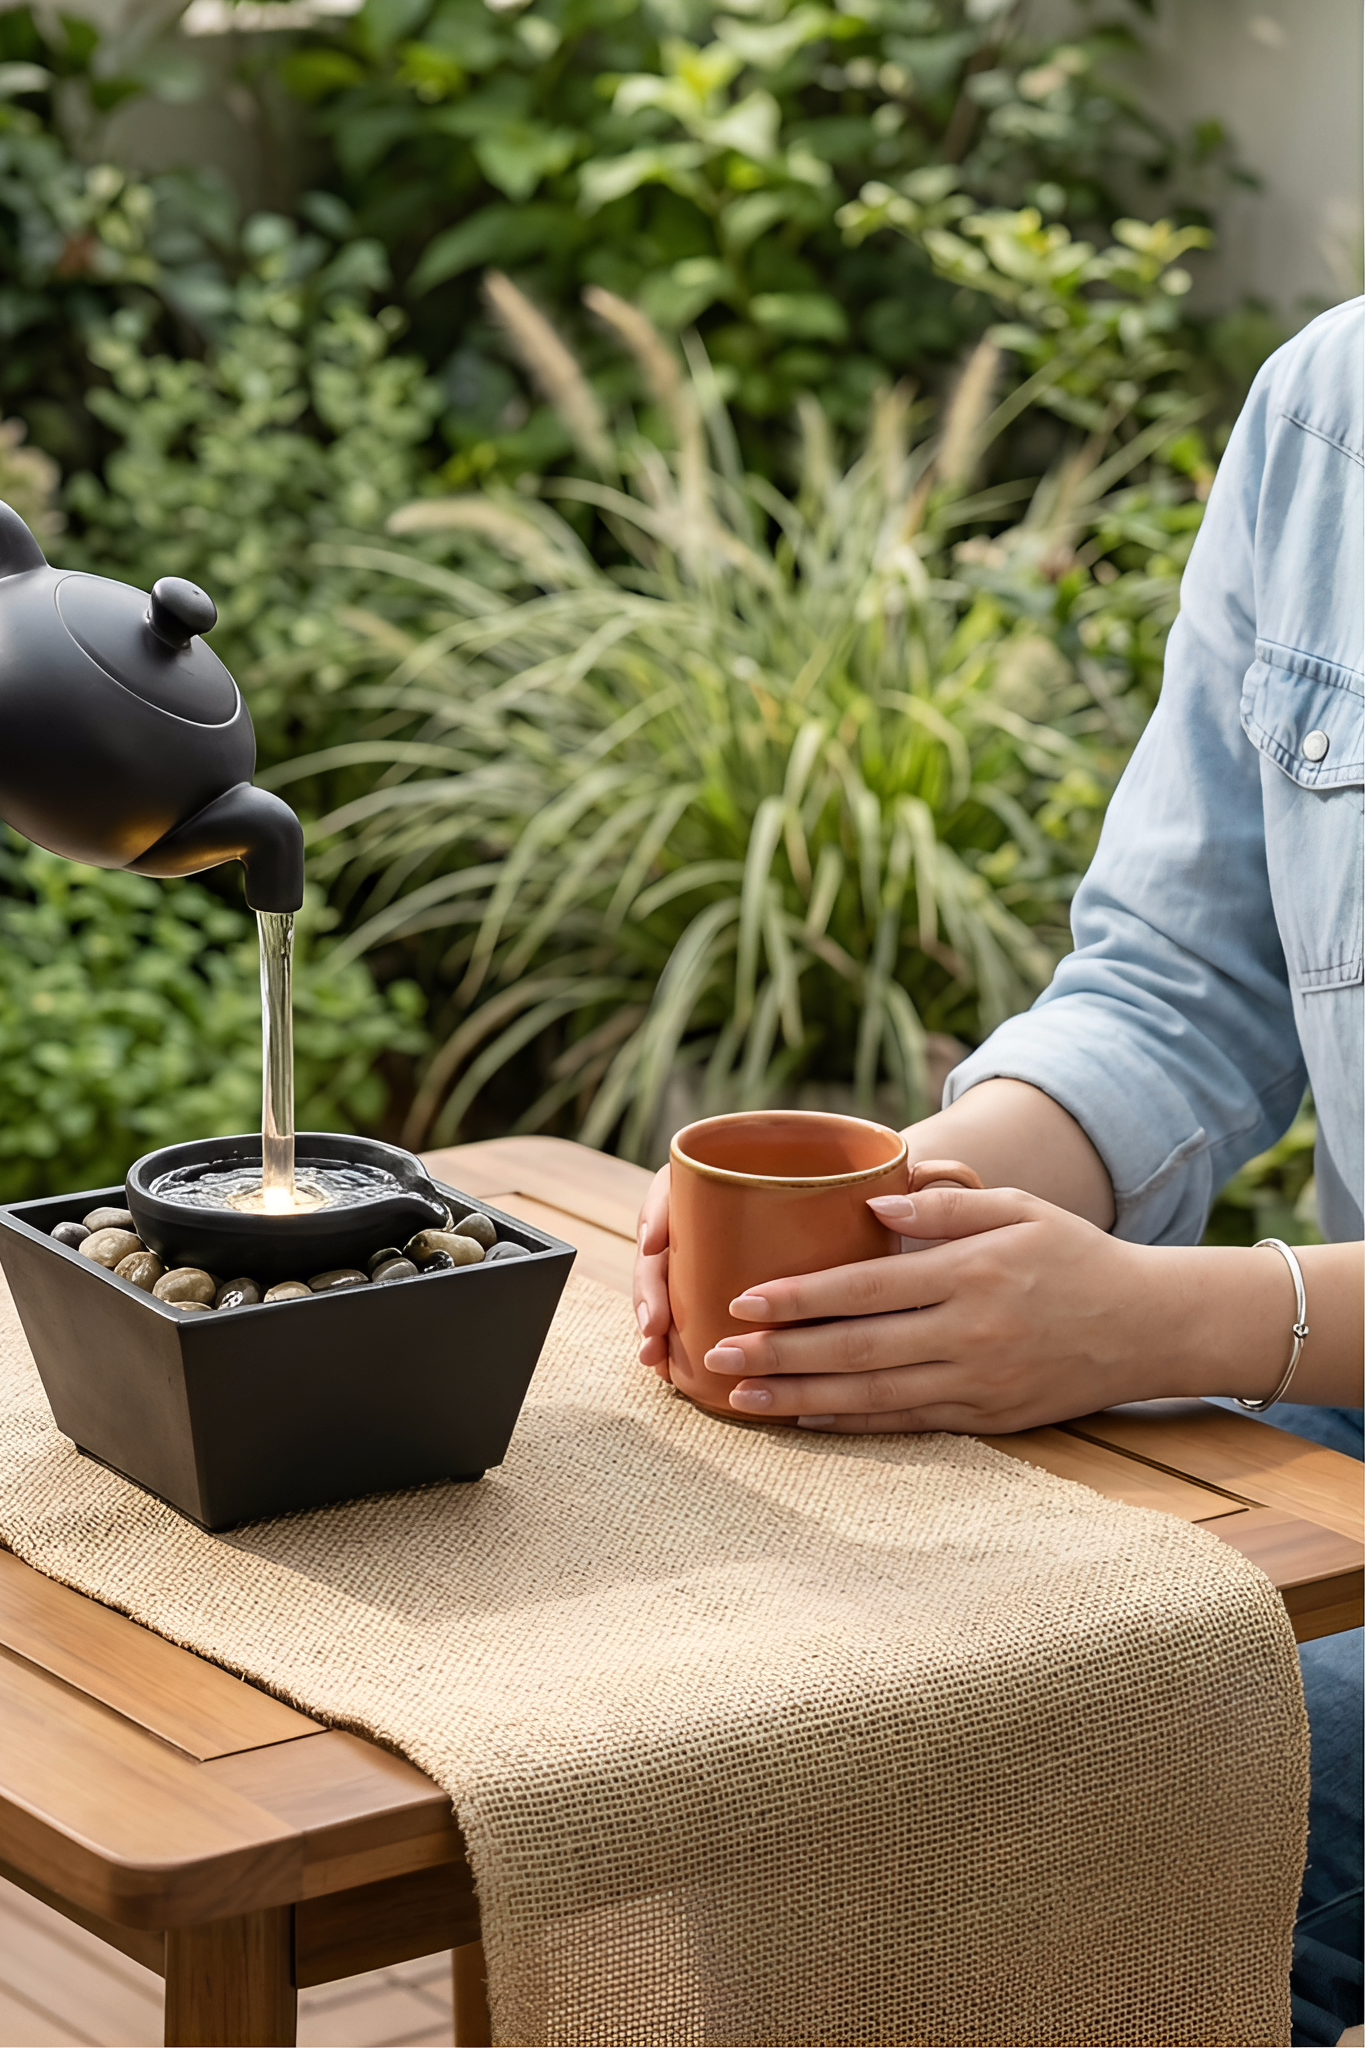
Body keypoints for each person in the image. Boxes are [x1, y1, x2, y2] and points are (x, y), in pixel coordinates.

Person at [631, 299, 1363, 2046]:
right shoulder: (1331, 417)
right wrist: (900, 1205)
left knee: (1090, 1821)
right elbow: (1180, 979)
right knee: (832, 1738)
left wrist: (1156, 1322)